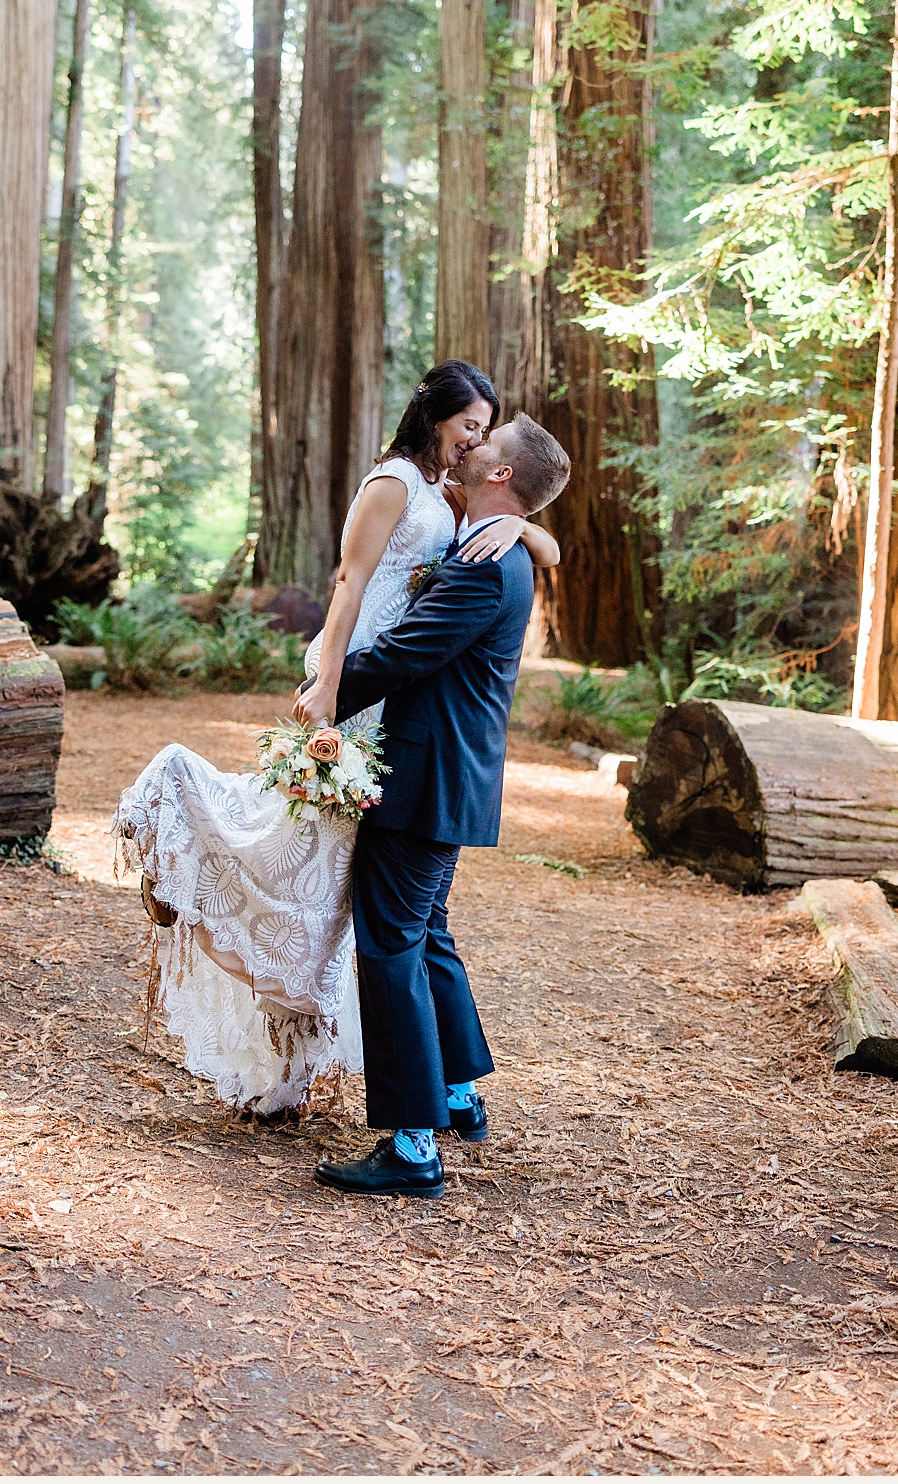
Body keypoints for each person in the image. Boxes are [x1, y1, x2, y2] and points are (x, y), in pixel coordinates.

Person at [115, 362, 560, 1116]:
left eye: (486, 432)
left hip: (396, 704)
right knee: (333, 882)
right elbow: (349, 585)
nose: (474, 441)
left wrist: (523, 524)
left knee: (392, 919)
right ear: (438, 417)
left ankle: (434, 1103)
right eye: (469, 426)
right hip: (364, 694)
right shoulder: (394, 482)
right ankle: (178, 831)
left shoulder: (458, 500)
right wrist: (326, 683)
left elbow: (525, 532)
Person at [303, 413, 571, 1198]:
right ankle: (456, 1093)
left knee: (389, 944)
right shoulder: (494, 546)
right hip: (452, 777)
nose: (474, 443)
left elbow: (404, 654)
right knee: (427, 933)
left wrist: (325, 686)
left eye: (491, 440)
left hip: (426, 782)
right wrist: (526, 533)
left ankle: (413, 1143)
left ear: (500, 476)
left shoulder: (487, 565)